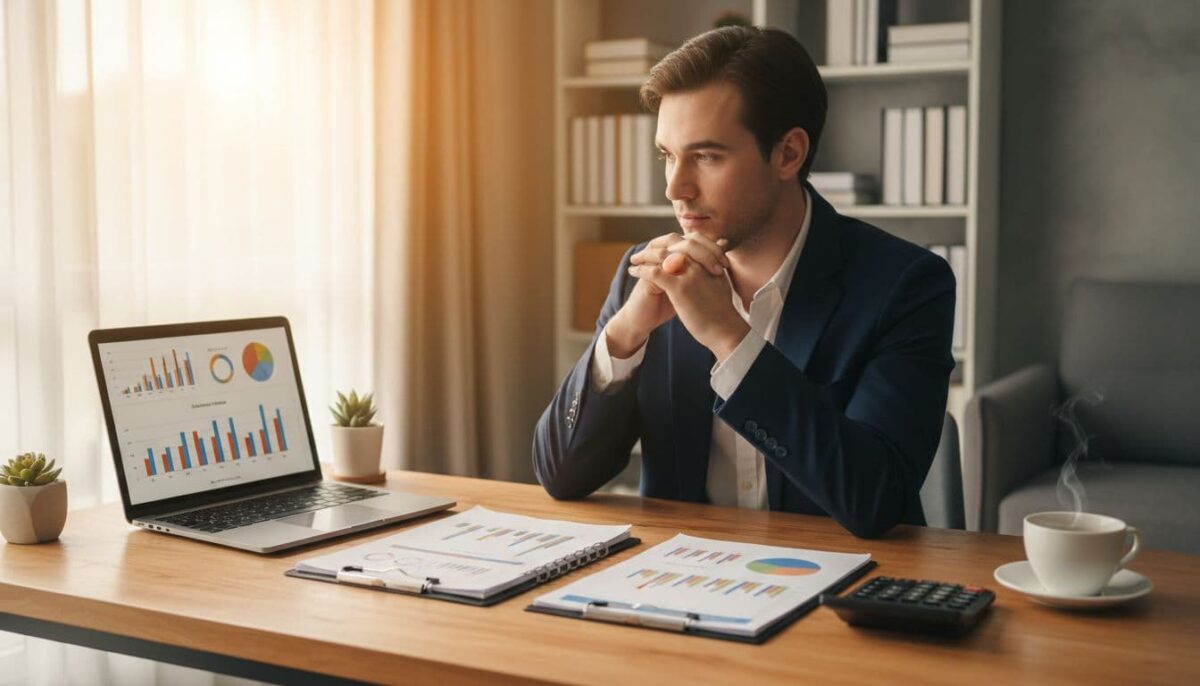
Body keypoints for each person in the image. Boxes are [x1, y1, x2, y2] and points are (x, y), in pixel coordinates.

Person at [532, 26, 955, 538]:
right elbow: (560, 475)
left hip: (843, 589)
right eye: (667, 155)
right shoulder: (642, 276)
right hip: (683, 583)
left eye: (706, 156)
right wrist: (623, 336)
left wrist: (728, 337)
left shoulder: (907, 287)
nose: (674, 188)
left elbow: (874, 499)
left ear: (789, 154)